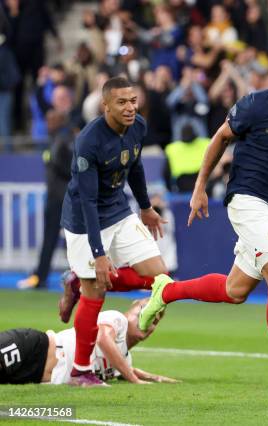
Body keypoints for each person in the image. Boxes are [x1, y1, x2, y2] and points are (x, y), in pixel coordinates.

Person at [138, 34, 268, 403]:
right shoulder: (255, 105)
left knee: (235, 291)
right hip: (247, 200)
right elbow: (219, 139)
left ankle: (165, 290)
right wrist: (200, 188)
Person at [60, 76, 168, 386]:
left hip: (118, 209)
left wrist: (146, 207)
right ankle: (80, 371)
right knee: (96, 290)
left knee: (160, 279)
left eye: (133, 100)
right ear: (105, 106)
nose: (130, 107)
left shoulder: (139, 127)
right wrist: (99, 255)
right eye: (121, 102)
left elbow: (134, 166)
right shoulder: (89, 142)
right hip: (84, 220)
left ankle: (78, 281)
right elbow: (88, 202)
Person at [0, 299, 178, 385]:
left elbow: (123, 367)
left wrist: (154, 378)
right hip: (33, 348)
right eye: (143, 310)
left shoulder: (124, 359)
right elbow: (102, 337)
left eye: (155, 320)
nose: (148, 321)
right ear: (131, 307)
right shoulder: (117, 320)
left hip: (32, 376)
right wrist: (133, 379)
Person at [17, 110, 74, 290]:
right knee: (62, 239)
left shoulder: (63, 141)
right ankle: (41, 276)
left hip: (60, 198)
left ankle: (41, 277)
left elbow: (69, 169)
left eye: (51, 120)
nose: (48, 124)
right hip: (57, 197)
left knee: (60, 239)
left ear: (59, 121)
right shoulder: (57, 140)